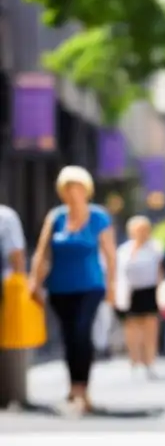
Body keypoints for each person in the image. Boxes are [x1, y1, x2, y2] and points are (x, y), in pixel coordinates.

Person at [27, 166, 117, 414]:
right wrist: (34, 281)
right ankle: (73, 386)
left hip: (90, 286)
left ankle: (83, 387)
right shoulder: (56, 218)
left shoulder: (99, 217)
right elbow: (42, 252)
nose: (72, 192)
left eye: (76, 187)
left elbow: (110, 256)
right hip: (60, 287)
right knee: (68, 336)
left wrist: (112, 286)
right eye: (67, 188)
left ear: (85, 190)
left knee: (81, 332)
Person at [115, 215, 164, 377]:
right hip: (131, 292)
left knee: (150, 328)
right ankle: (134, 360)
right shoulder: (124, 250)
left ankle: (149, 361)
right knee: (132, 329)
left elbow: (160, 272)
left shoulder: (155, 248)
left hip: (149, 291)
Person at [0, 202, 28, 408]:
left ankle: (11, 394)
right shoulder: (6, 216)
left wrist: (20, 288)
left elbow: (16, 255)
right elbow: (17, 254)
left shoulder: (6, 216)